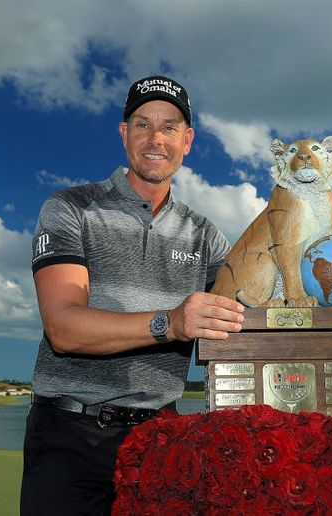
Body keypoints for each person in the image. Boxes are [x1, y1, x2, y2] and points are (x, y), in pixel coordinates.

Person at [19, 75, 246, 515]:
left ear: (187, 140)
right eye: (142, 125)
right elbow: (63, 327)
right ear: (125, 134)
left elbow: (248, 306)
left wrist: (310, 224)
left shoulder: (205, 235)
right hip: (69, 437)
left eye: (169, 127)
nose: (155, 139)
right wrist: (171, 323)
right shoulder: (70, 207)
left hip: (161, 440)